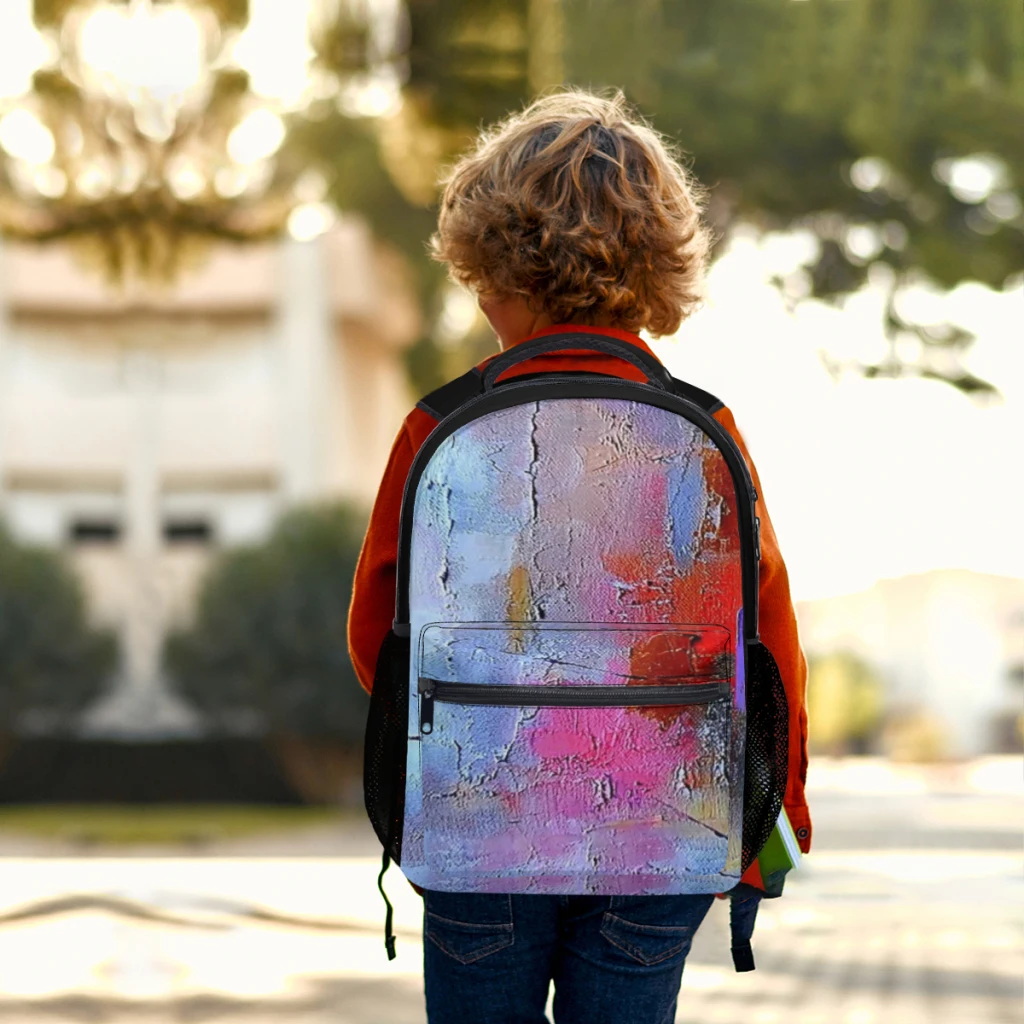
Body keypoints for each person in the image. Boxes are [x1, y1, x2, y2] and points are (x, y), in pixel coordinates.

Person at [349, 89, 810, 1024]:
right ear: (657, 269)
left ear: (495, 269)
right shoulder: (706, 430)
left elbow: (376, 637)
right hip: (660, 831)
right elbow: (767, 639)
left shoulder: (438, 427)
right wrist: (777, 812)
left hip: (479, 825)